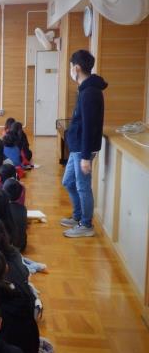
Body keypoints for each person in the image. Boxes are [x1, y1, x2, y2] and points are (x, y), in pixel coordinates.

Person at [62, 49, 107, 238]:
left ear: (77, 68)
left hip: (82, 149)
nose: (70, 71)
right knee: (68, 182)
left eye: (71, 67)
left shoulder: (89, 92)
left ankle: (86, 225)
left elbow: (89, 126)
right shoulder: (85, 89)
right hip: (77, 148)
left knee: (82, 186)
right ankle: (78, 215)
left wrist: (86, 157)